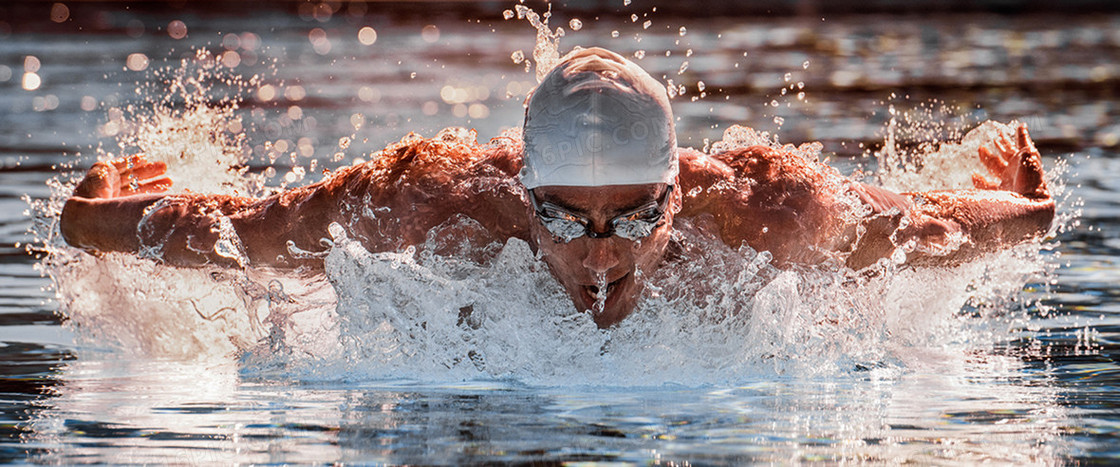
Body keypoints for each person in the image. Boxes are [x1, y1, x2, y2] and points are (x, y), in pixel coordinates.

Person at [59, 48, 1056, 328]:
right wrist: (91, 215)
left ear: (677, 194)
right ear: (520, 195)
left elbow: (919, 226)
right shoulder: (432, 193)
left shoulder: (761, 206)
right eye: (562, 218)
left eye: (634, 214)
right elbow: (252, 231)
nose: (599, 252)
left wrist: (1023, 211)